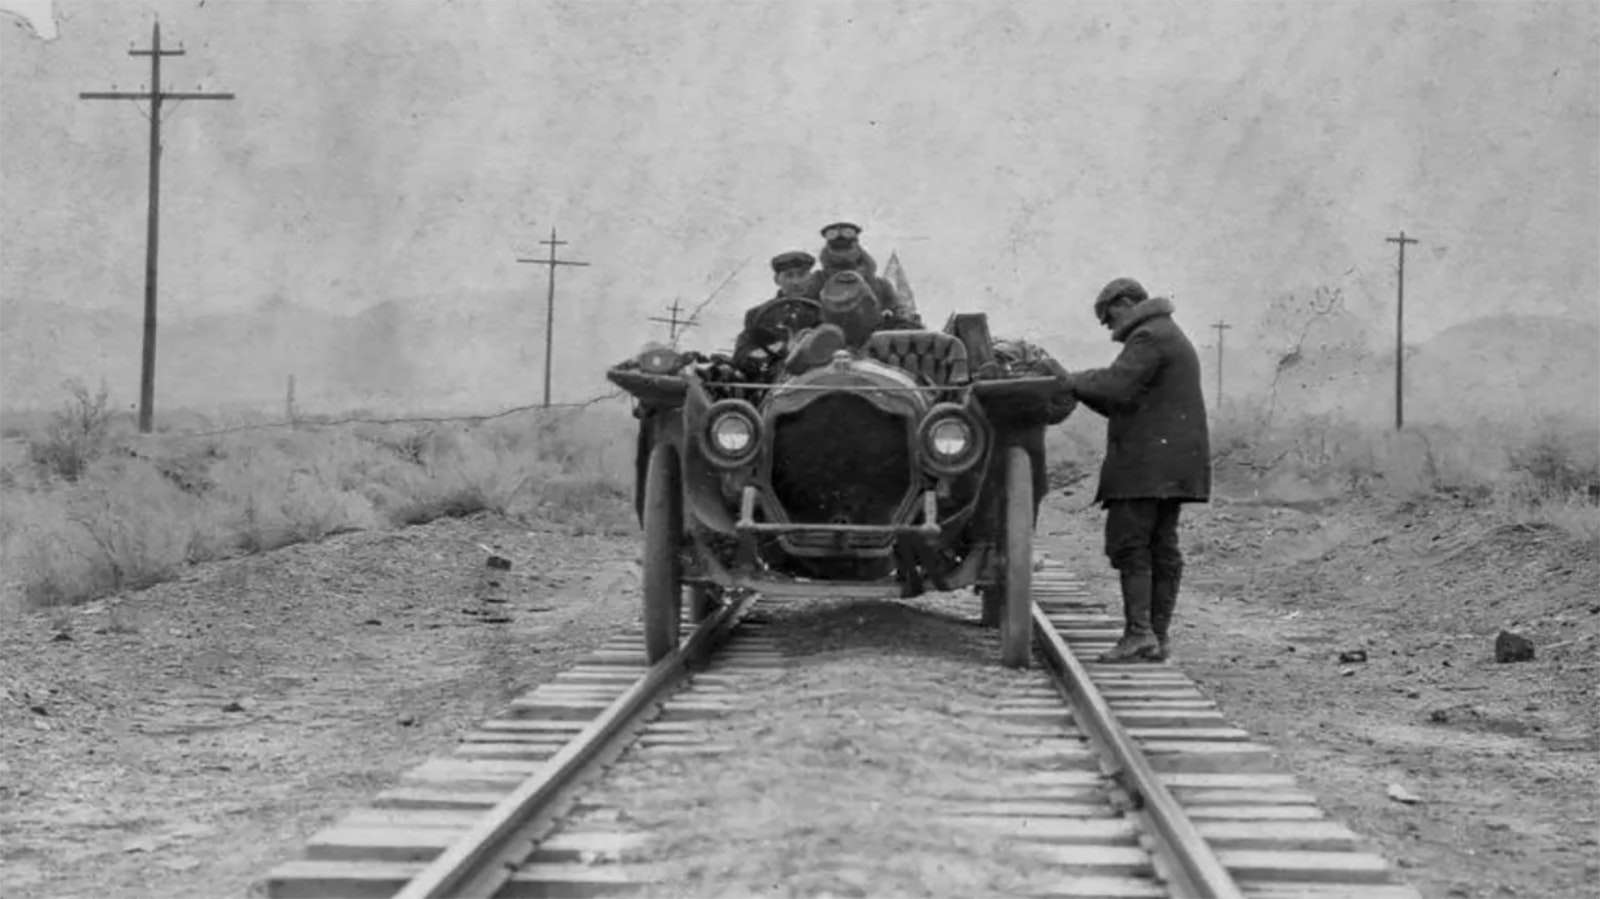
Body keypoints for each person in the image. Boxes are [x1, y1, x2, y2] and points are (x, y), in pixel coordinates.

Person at [1058, 277, 1211, 663]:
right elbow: (1120, 400)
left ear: (1125, 302)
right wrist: (1082, 389)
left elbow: (1115, 387)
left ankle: (1140, 634)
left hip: (1148, 466)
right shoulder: (1165, 332)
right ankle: (1156, 637)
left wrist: (1070, 381)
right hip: (1171, 464)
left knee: (1131, 544)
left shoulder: (1148, 337)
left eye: (1108, 317)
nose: (1109, 328)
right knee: (1162, 547)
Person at [800, 222, 923, 329]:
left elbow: (899, 315)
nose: (843, 254)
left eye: (848, 247)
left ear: (857, 247)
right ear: (827, 249)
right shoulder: (816, 282)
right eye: (837, 249)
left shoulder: (880, 286)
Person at [733, 250, 819, 374]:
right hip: (774, 382)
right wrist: (767, 360)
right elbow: (744, 351)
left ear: (811, 278)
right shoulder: (757, 315)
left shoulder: (827, 312)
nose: (796, 282)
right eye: (789, 275)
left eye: (802, 275)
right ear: (777, 279)